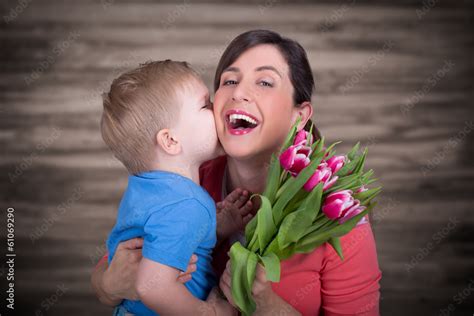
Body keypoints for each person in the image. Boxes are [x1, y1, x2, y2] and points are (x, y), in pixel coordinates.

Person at [92, 30, 382, 315]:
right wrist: (109, 284)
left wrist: (269, 307)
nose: (239, 93)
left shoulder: (336, 210)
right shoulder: (184, 177)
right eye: (229, 81)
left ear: (300, 115)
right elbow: (114, 265)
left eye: (265, 82)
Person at [99, 60, 247, 315]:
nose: (217, 109)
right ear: (170, 140)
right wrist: (209, 313)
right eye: (205, 105)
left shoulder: (143, 189)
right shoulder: (188, 204)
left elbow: (165, 236)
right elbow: (151, 286)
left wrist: (214, 229)